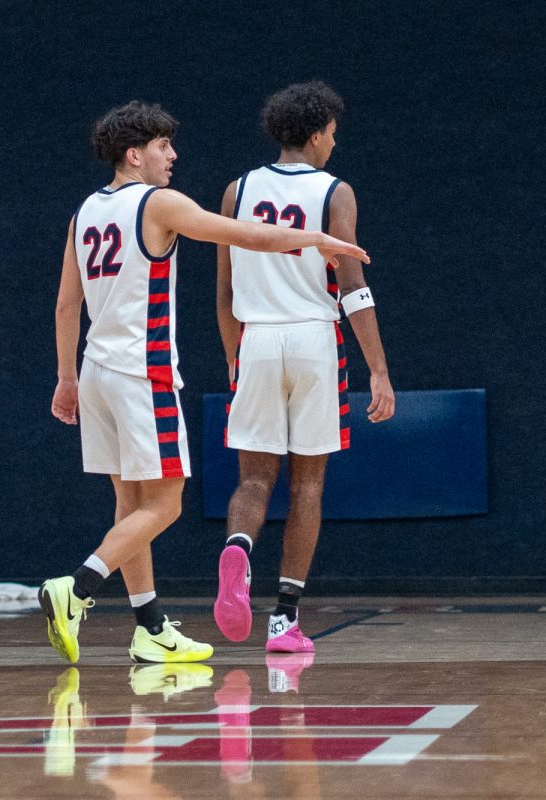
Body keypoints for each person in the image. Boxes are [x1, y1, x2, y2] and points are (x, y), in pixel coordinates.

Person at [40, 101, 369, 665]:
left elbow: (67, 301)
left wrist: (66, 376)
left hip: (95, 368)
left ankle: (148, 626)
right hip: (141, 371)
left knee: (130, 505)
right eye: (164, 146)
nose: (174, 156)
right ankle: (78, 587)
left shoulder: (85, 211)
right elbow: (238, 233)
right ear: (134, 154)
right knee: (165, 504)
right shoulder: (158, 202)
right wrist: (312, 240)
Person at [213, 81, 395, 655]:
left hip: (256, 338)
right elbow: (353, 288)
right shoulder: (335, 192)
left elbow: (223, 292)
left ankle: (238, 552)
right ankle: (284, 619)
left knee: (253, 479)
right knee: (308, 483)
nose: (334, 146)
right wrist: (380, 370)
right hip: (314, 339)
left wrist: (232, 357)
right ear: (316, 135)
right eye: (333, 136)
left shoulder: (235, 190)